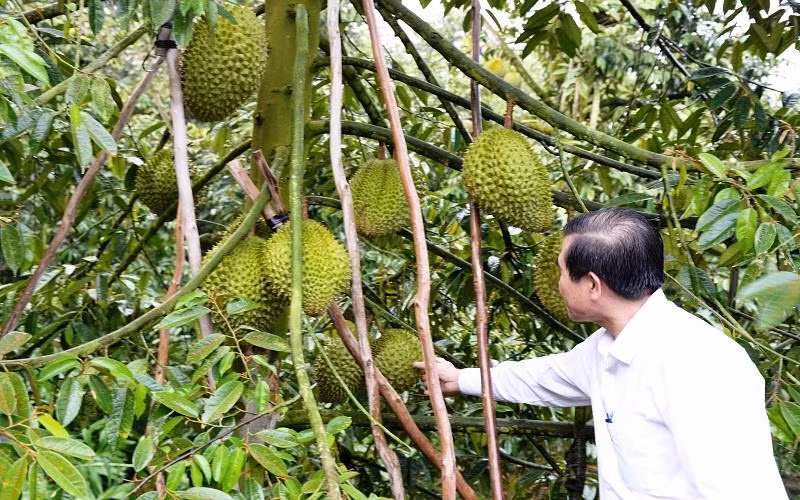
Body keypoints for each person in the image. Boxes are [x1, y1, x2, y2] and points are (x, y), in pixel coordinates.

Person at [417, 207, 788, 499]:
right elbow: (547, 377)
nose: (558, 283)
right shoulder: (607, 347)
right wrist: (462, 379)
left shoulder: (699, 364)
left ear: (592, 285)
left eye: (562, 270)